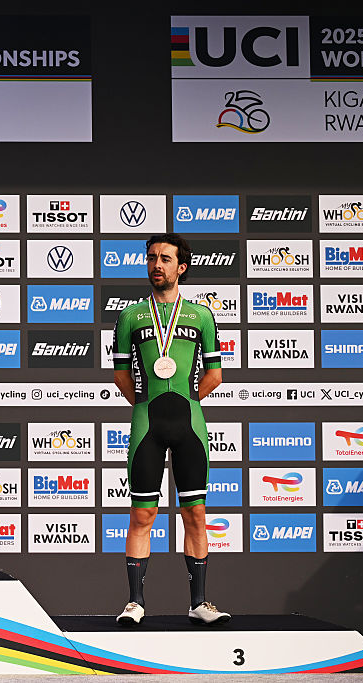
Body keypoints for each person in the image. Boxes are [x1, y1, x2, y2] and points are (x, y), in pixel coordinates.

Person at [111, 234, 229, 625]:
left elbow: (215, 373)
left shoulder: (201, 315)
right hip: (147, 423)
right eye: (151, 258)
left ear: (181, 268)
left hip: (190, 423)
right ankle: (135, 603)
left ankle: (199, 603)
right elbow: (121, 374)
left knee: (195, 512)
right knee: (141, 514)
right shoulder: (130, 315)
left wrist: (188, 400)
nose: (156, 264)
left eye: (165, 258)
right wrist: (146, 404)